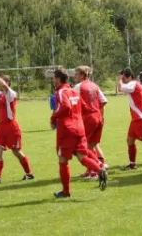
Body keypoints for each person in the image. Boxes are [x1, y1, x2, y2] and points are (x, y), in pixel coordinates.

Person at [51, 68, 107, 198]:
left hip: (67, 129)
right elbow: (85, 107)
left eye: (53, 78)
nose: (52, 80)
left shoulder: (61, 91)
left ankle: (65, 192)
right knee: (82, 156)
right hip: (80, 128)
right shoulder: (74, 91)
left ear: (59, 79)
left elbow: (66, 106)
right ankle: (100, 170)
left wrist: (53, 117)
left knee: (63, 160)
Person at [0, 64, 34, 185]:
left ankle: (29, 174)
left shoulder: (11, 94)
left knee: (16, 152)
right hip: (1, 128)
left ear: (9, 84)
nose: (0, 84)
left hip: (11, 127)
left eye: (4, 82)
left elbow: (3, 85)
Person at [73, 66, 109, 180]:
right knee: (91, 145)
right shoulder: (94, 85)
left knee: (83, 146)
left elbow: (72, 102)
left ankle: (96, 170)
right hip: (98, 116)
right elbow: (104, 101)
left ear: (83, 75)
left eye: (77, 74)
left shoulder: (79, 87)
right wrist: (95, 109)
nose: (74, 76)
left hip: (88, 118)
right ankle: (91, 169)